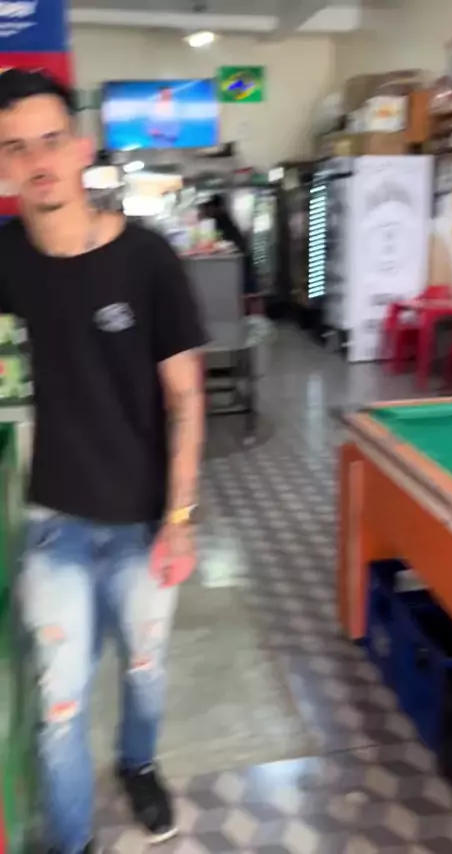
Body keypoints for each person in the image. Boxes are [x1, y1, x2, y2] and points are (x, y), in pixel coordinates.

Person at [0, 69, 206, 854]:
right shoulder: (4, 260)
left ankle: (137, 763)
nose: (38, 160)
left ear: (81, 147)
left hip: (146, 520)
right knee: (61, 702)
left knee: (145, 669)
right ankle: (70, 843)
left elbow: (186, 398)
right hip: (52, 524)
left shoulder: (147, 258)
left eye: (51, 140)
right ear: (3, 166)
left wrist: (180, 518)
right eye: (16, 148)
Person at [199, 193, 257, 296]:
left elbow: (220, 242)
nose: (206, 212)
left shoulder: (220, 220)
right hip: (240, 256)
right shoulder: (223, 219)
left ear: (214, 207)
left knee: (245, 288)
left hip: (239, 258)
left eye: (208, 209)